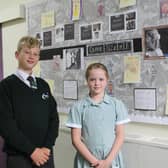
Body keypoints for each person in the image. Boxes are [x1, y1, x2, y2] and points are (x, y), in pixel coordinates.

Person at [0, 36, 59, 168]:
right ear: (17, 55)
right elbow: (6, 126)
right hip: (19, 157)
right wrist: (32, 151)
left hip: (45, 155)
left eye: (35, 54)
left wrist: (47, 147)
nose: (31, 56)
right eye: (27, 52)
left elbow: (53, 118)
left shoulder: (43, 85)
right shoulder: (6, 86)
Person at [66, 63, 130, 168]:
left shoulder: (117, 105)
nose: (97, 83)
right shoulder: (78, 107)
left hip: (111, 160)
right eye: (92, 79)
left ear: (107, 80)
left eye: (101, 79)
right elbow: (76, 140)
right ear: (87, 81)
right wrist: (95, 162)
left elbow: (120, 136)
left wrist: (107, 162)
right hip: (88, 161)